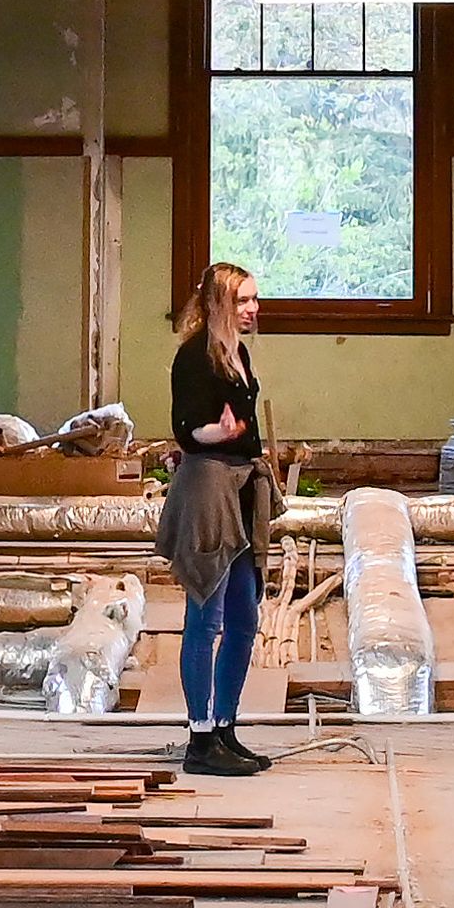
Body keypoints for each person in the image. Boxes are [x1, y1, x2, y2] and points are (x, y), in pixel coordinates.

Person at [159, 261, 281, 780]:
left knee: (245, 618)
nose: (252, 309)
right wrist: (218, 432)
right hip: (208, 485)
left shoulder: (240, 353)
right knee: (205, 615)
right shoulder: (194, 357)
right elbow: (188, 429)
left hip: (241, 483)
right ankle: (200, 736)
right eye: (242, 301)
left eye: (255, 299)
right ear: (216, 305)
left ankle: (226, 727)